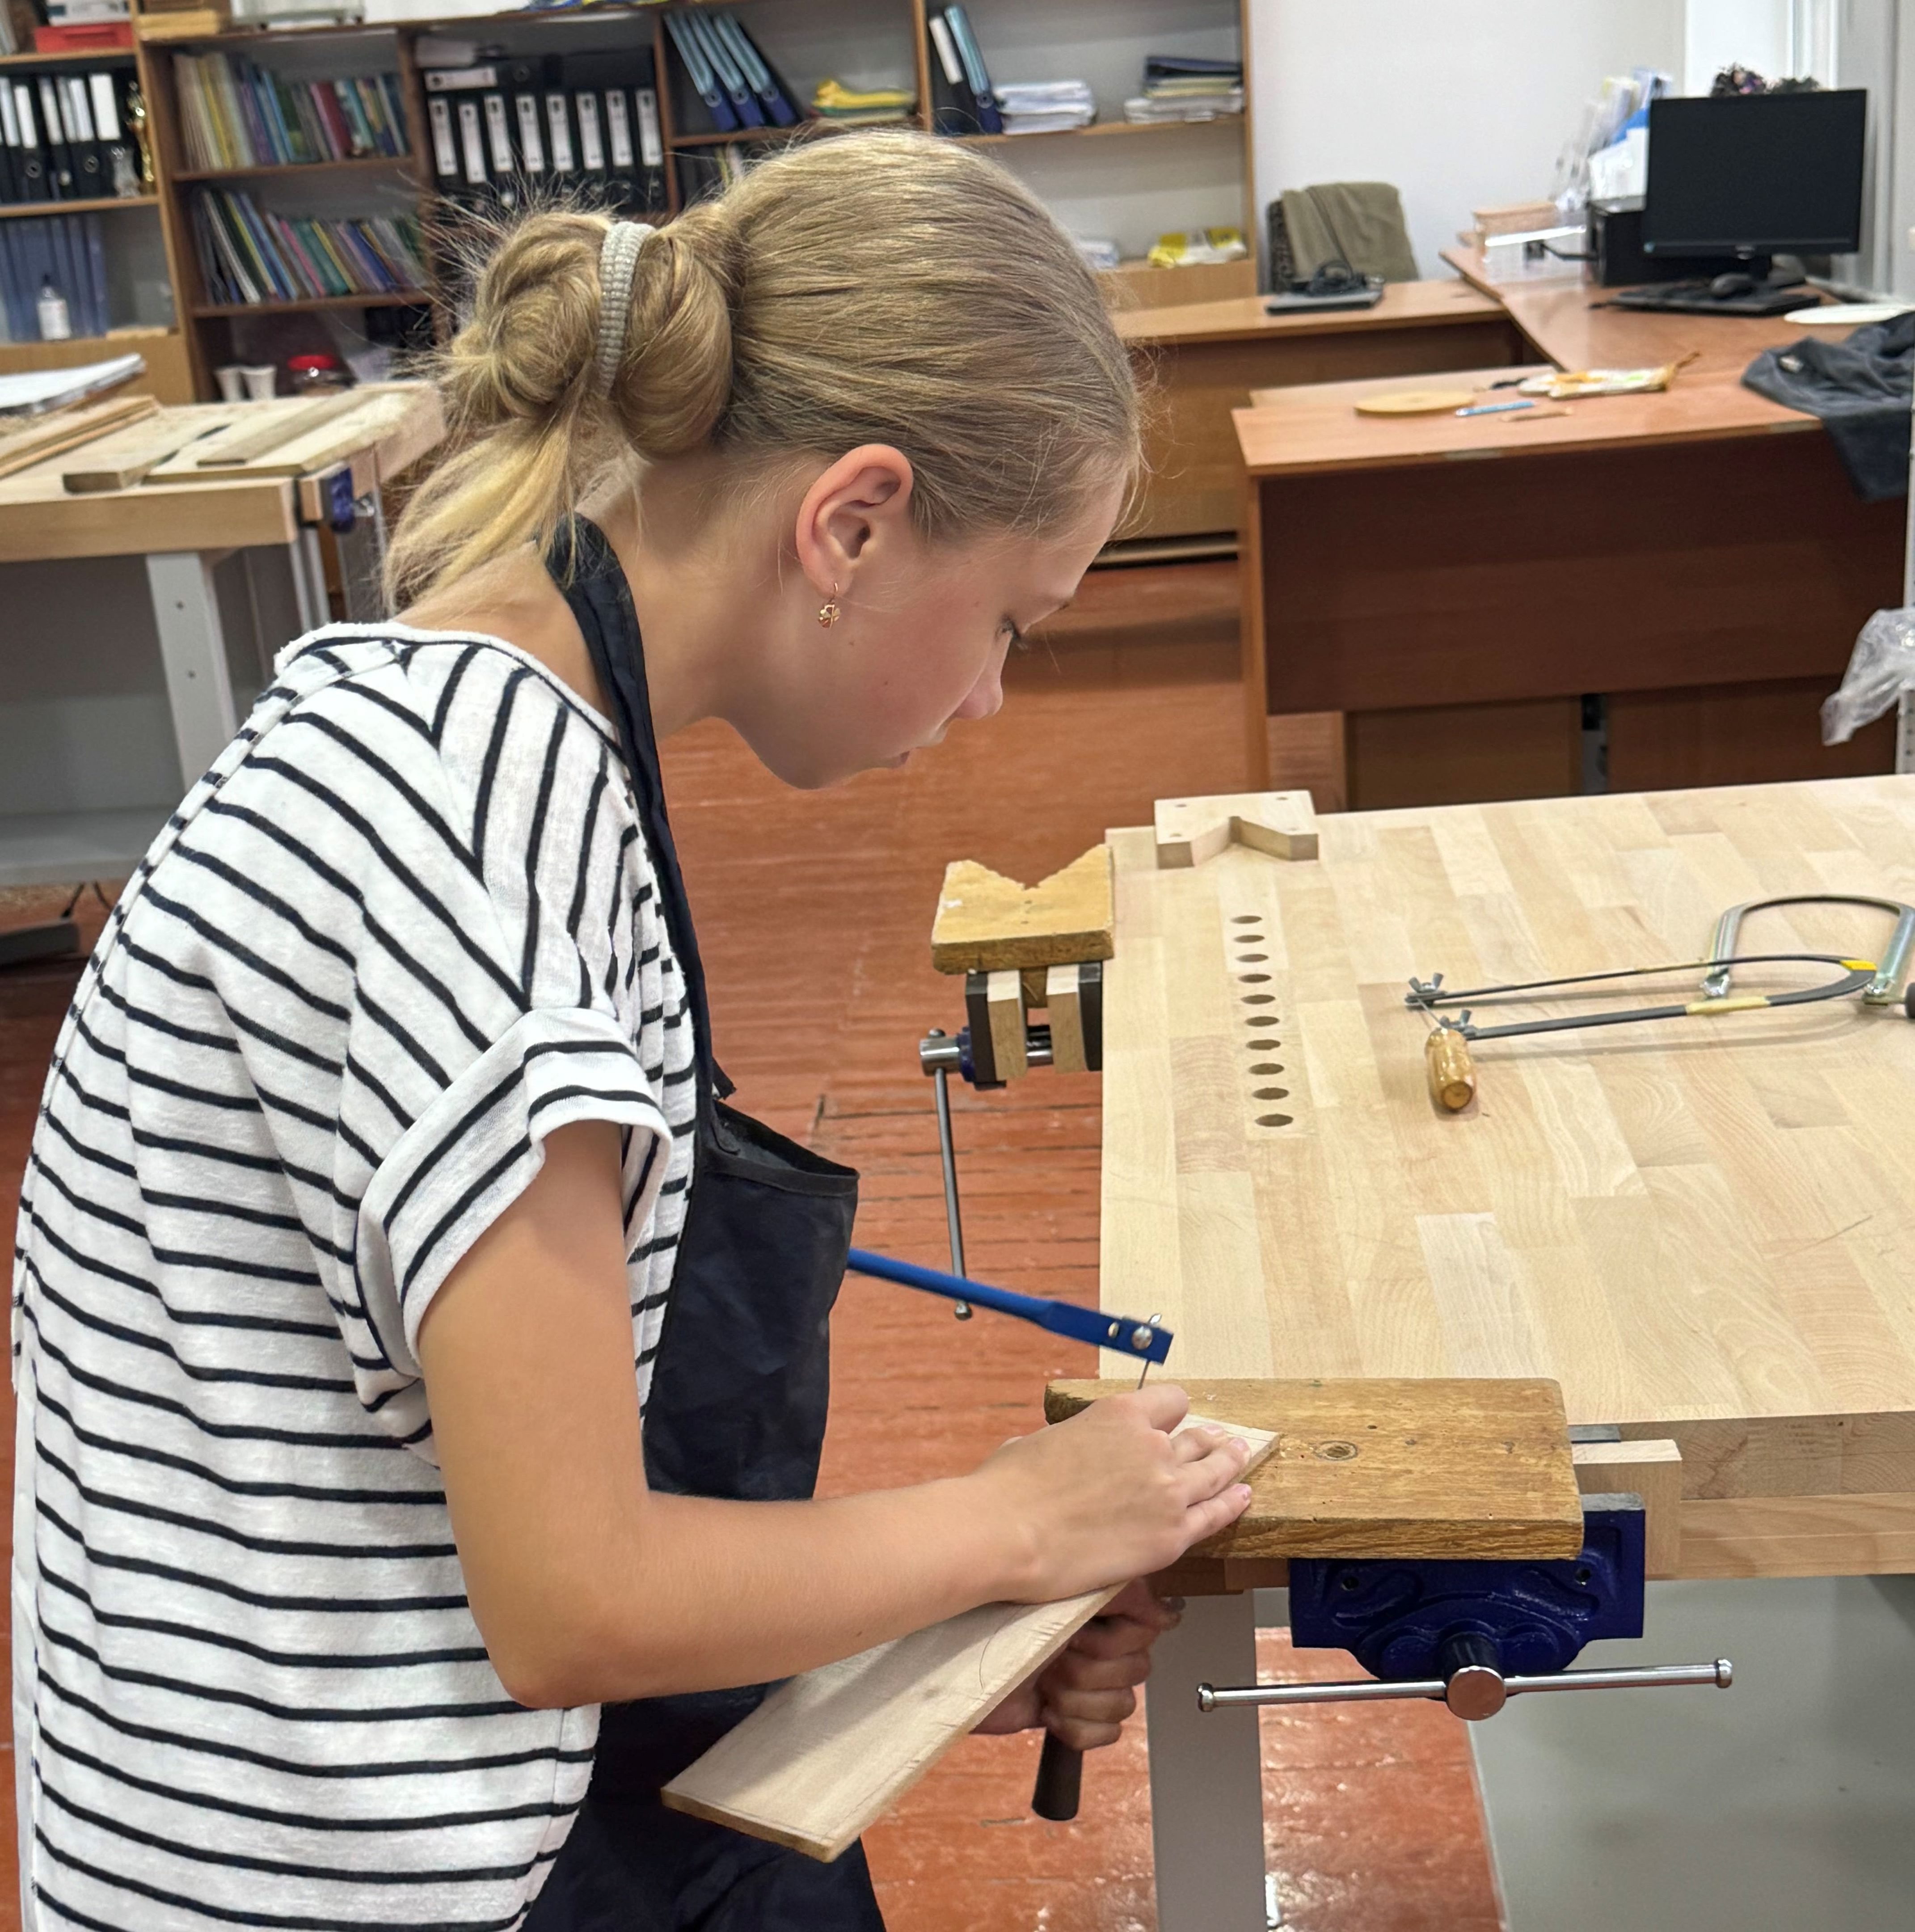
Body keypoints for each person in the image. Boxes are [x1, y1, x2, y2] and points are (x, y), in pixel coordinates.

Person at [10, 131, 1254, 1932]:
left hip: (407, 1778)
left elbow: (482, 1524)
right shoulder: (478, 851)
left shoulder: (463, 726)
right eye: (1008, 621)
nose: (991, 696)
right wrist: (1018, 1521)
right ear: (851, 522)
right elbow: (575, 1598)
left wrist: (959, 1605)